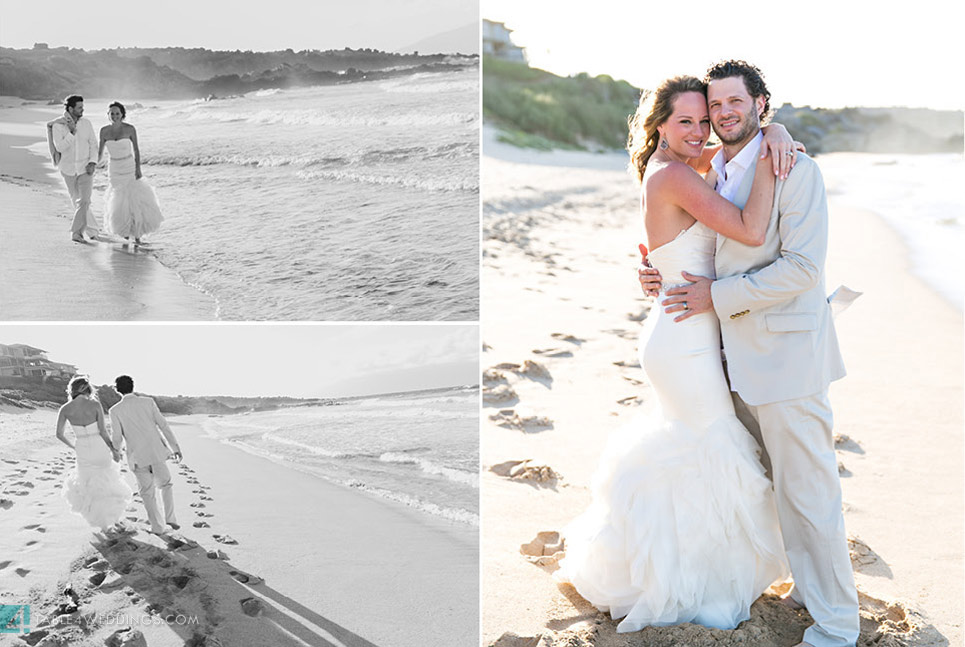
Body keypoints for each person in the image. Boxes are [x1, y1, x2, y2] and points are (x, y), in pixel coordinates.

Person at [554, 73, 806, 633]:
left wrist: (776, 129)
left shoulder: (692, 166)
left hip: (685, 328)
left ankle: (693, 570)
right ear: (660, 125)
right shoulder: (672, 174)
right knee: (712, 450)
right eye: (685, 121)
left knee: (697, 451)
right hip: (684, 339)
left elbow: (736, 147)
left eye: (704, 118)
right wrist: (770, 154)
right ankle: (691, 584)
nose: (700, 130)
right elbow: (750, 226)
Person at [638, 61, 859, 647]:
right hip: (725, 359)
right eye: (714, 107)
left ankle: (837, 626)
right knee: (772, 486)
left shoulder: (794, 169)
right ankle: (807, 591)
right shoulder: (716, 170)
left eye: (735, 102)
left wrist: (717, 293)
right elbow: (690, 236)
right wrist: (656, 269)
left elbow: (804, 269)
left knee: (810, 495)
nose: (721, 114)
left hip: (785, 357)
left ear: (761, 104)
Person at [108, 374, 182, 535]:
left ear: (117, 390)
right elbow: (163, 425)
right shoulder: (148, 402)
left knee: (147, 493)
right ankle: (170, 518)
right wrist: (175, 447)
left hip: (137, 457)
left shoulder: (115, 410)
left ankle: (157, 527)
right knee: (166, 484)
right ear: (133, 387)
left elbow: (117, 437)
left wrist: (116, 453)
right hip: (156, 452)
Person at [56, 376, 132, 530]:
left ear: (73, 390)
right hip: (98, 446)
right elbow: (103, 432)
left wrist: (73, 446)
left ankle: (102, 524)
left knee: (88, 483)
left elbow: (59, 434)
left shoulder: (65, 409)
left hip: (82, 447)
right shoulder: (95, 405)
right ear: (88, 389)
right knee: (107, 480)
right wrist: (113, 449)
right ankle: (114, 518)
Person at [97, 101, 164, 245]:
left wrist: (138, 169)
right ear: (108, 115)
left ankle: (138, 234)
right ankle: (124, 232)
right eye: (112, 114)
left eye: (117, 113)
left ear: (122, 115)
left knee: (133, 199)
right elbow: (99, 153)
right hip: (114, 168)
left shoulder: (130, 129)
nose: (114, 116)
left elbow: (136, 150)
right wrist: (91, 165)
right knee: (119, 200)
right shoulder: (104, 131)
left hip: (129, 166)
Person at [46, 95, 99, 242]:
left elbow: (93, 144)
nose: (83, 110)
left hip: (85, 168)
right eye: (79, 107)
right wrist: (72, 132)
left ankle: (76, 233)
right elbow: (60, 147)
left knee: (85, 201)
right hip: (68, 169)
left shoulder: (86, 123)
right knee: (77, 201)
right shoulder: (58, 125)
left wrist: (93, 162)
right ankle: (93, 231)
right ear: (70, 109)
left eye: (83, 107)